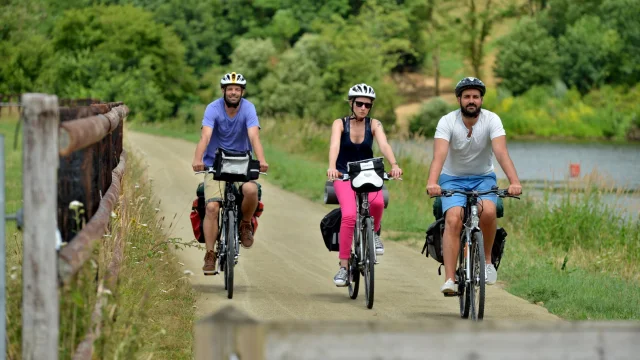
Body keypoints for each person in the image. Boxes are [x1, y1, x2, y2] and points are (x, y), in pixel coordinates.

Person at [425, 77, 522, 294]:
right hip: (452, 178)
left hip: (483, 178)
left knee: (488, 212)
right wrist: (432, 182)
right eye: (467, 96)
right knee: (453, 218)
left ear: (481, 100)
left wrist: (514, 181)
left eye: (476, 97)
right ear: (459, 99)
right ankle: (450, 279)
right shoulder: (447, 121)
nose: (472, 101)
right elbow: (439, 156)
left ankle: (486, 262)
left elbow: (501, 153)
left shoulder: (492, 120)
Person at [192, 72, 269, 275]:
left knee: (251, 190)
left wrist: (261, 160)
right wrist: (198, 159)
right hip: (215, 165)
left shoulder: (248, 108)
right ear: (224, 91)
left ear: (242, 92)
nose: (233, 92)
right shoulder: (213, 108)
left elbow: (254, 136)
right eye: (230, 89)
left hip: (242, 164)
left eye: (237, 89)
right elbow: (205, 136)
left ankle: (245, 225)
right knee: (212, 207)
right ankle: (210, 253)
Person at [327, 83, 403, 286]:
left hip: (368, 175)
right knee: (350, 215)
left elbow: (384, 144)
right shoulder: (340, 123)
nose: (363, 108)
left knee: (377, 204)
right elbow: (334, 145)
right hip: (344, 176)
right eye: (359, 103)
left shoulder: (374, 124)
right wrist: (332, 167)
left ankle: (375, 234)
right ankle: (343, 266)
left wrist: (394, 165)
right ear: (351, 103)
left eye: (367, 105)